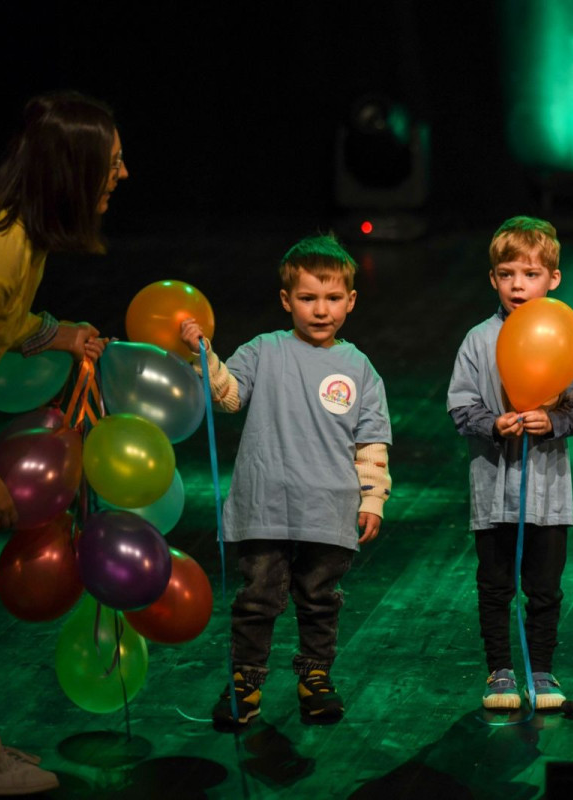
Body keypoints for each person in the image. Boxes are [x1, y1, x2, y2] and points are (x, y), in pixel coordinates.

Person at [0, 91, 120, 796]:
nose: (123, 174)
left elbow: (4, 320)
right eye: (111, 164)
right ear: (74, 173)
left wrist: (56, 333)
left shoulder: (17, 236)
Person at [179, 234, 392, 728]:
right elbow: (228, 396)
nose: (322, 310)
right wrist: (203, 356)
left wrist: (373, 499)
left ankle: (315, 677)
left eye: (333, 298)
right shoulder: (265, 350)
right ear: (286, 300)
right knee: (258, 599)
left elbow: (372, 442)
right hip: (266, 504)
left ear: (351, 301)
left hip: (328, 509)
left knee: (320, 600)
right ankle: (246, 681)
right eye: (308, 298)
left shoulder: (359, 368)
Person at [446, 216, 573, 711]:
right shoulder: (477, 340)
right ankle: (500, 671)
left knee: (545, 588)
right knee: (495, 585)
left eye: (530, 274)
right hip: (493, 494)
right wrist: (494, 423)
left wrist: (550, 421)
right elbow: (460, 406)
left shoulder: (561, 332)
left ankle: (543, 670)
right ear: (493, 279)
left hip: (548, 496)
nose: (518, 285)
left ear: (553, 279)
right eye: (507, 274)